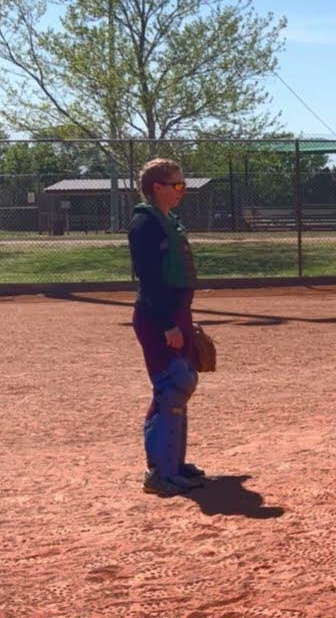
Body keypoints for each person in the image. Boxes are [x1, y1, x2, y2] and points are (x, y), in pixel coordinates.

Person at [128, 158, 205, 497]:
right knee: (172, 385)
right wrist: (166, 325)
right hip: (158, 316)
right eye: (175, 185)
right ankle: (160, 471)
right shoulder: (145, 224)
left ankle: (173, 463)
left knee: (181, 385)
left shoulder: (168, 221)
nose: (181, 191)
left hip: (176, 314)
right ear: (156, 187)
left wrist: (183, 318)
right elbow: (150, 279)